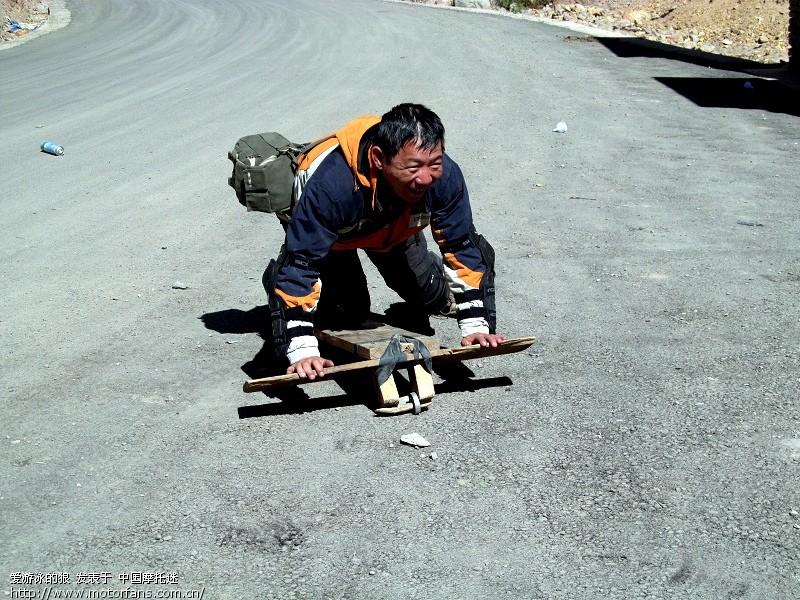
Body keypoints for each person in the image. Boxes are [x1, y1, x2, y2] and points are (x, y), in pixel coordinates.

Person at [263, 103, 506, 379]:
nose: (426, 177)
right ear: (379, 158)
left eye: (434, 164)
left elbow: (461, 246)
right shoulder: (331, 187)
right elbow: (302, 265)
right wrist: (301, 350)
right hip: (332, 239)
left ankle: (442, 299)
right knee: (348, 313)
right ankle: (278, 292)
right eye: (414, 167)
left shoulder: (444, 176)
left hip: (393, 229)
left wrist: (476, 326)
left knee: (430, 294)